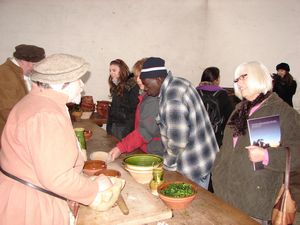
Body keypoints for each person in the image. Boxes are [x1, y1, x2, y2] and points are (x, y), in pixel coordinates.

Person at [0, 54, 124, 225]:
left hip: (19, 197)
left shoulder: (34, 102)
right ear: (59, 84)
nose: (82, 85)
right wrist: (95, 188)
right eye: (78, 80)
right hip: (33, 207)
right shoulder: (47, 115)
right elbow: (57, 178)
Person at [212, 61, 300, 224]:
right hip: (225, 193)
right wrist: (217, 171)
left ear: (260, 76)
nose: (238, 82)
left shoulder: (283, 112)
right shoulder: (239, 110)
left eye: (243, 77)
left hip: (254, 200)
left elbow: (297, 154)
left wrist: (266, 155)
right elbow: (226, 148)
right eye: (236, 79)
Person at [140, 57, 219, 189]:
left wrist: (166, 167)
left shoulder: (172, 98)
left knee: (192, 208)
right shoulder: (178, 83)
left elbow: (177, 142)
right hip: (204, 158)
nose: (144, 89)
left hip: (194, 166)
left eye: (146, 84)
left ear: (158, 79)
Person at [108, 58, 163, 161]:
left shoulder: (153, 99)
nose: (137, 80)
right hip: (145, 148)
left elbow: (144, 131)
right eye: (136, 76)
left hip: (154, 152)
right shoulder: (146, 95)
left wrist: (121, 147)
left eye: (140, 76)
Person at [0, 44, 45, 142]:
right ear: (23, 61)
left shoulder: (20, 72)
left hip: (21, 129)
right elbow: (9, 112)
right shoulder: (5, 75)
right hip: (11, 134)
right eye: (34, 65)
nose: (34, 69)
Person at [196, 66, 233, 147]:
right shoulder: (222, 94)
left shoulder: (194, 92)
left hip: (196, 137)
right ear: (216, 80)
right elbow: (230, 117)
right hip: (215, 137)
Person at [106, 59, 139, 140]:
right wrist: (109, 126)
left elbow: (133, 111)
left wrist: (127, 132)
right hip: (115, 125)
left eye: (114, 70)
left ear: (122, 70)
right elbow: (113, 106)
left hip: (125, 127)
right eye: (110, 70)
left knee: (124, 151)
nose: (111, 73)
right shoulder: (116, 84)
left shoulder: (132, 86)